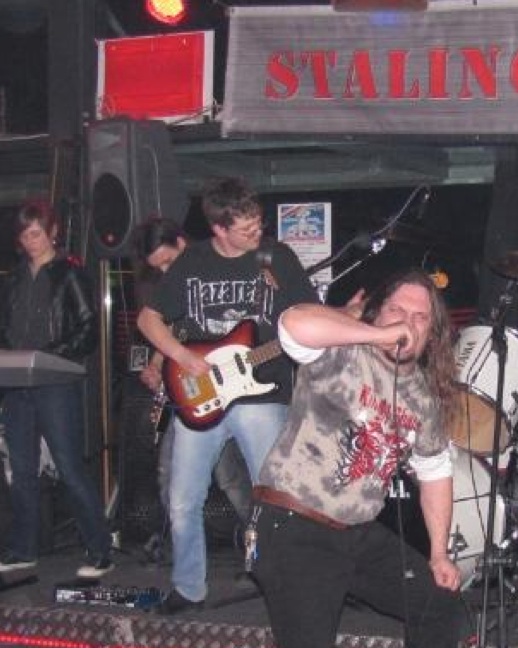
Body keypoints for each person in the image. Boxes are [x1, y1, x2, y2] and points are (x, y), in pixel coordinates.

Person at [250, 269, 464, 648]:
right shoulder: (341, 352)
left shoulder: (422, 399)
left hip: (357, 532)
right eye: (397, 310)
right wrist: (376, 335)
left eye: (420, 317)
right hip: (295, 525)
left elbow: (435, 471)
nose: (406, 322)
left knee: (438, 603)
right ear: (376, 314)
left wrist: (439, 554)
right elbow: (293, 323)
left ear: (432, 335)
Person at [136, 178, 317, 614]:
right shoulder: (192, 261)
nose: (257, 232)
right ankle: (188, 588)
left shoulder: (277, 257)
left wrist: (344, 317)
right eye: (246, 228)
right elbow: (148, 319)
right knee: (183, 499)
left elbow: (309, 315)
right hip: (201, 393)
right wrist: (182, 356)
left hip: (262, 392)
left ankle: (287, 588)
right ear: (218, 228)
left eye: (258, 223)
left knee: (274, 498)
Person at [0, 200, 114, 578]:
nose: (30, 242)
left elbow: (87, 328)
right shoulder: (14, 278)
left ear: (52, 232)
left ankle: (100, 548)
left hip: (54, 381)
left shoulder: (70, 274)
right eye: (24, 235)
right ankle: (23, 548)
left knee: (68, 467)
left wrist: (48, 356)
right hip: (17, 382)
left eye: (36, 234)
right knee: (21, 470)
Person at [131, 217, 253, 534]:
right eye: (157, 267)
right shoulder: (172, 284)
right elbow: (169, 330)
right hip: (188, 390)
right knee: (169, 472)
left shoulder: (215, 270)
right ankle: (180, 545)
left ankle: (263, 545)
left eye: (168, 261)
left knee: (230, 475)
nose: (164, 271)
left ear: (182, 244)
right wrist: (157, 366)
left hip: (225, 387)